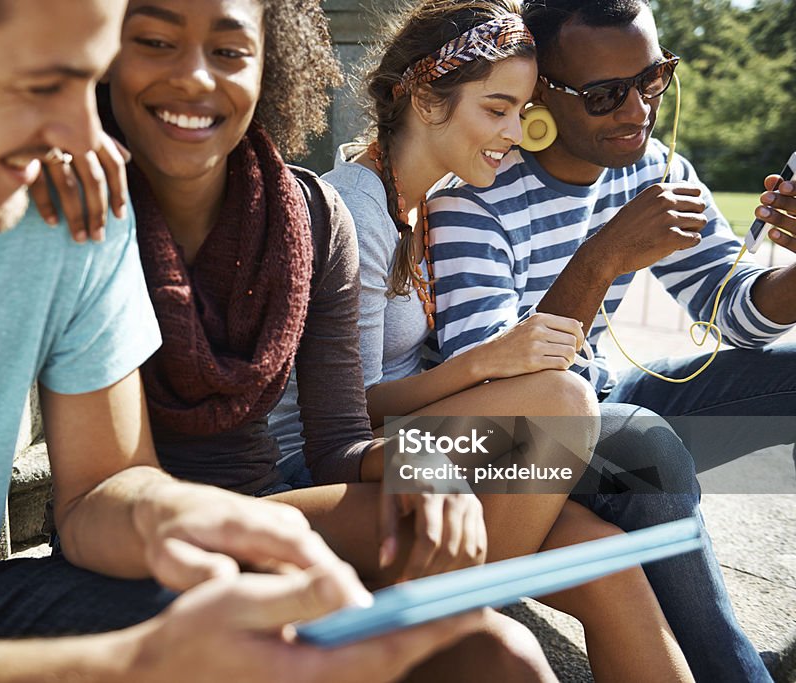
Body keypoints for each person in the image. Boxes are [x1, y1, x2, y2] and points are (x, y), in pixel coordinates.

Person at [0, 0, 498, 680]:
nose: (88, 140)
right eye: (41, 84)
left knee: (493, 642)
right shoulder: (85, 180)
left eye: (86, 81)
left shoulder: (77, 190)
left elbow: (102, 486)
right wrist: (119, 658)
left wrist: (201, 518)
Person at [94, 0, 562, 679]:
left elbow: (341, 441)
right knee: (562, 421)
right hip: (158, 517)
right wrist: (485, 368)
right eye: (497, 109)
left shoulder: (321, 215)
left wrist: (425, 467)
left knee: (576, 524)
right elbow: (101, 490)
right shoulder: (88, 211)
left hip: (284, 487)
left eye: (229, 52)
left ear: (272, 68)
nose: (195, 76)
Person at [271, 2, 693, 681]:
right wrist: (488, 361)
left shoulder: (428, 201)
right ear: (427, 100)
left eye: (523, 112)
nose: (515, 135)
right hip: (323, 467)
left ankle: (448, 620)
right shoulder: (357, 207)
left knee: (610, 562)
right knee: (562, 404)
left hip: (414, 440)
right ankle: (437, 635)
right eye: (496, 110)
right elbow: (349, 415)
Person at [428, 0, 790, 679]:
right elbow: (494, 397)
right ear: (538, 94)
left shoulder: (652, 166)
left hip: (604, 403)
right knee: (642, 441)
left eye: (652, 79)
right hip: (503, 446)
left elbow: (731, 308)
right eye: (604, 94)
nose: (637, 111)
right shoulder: (470, 195)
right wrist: (600, 258)